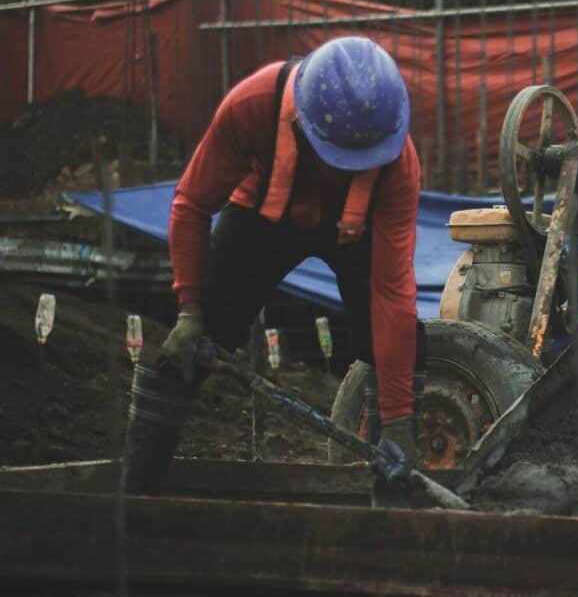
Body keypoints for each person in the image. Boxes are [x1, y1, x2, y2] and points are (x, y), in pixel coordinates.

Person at [121, 36, 421, 506]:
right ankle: (135, 494)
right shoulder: (253, 105)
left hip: (354, 232)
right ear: (302, 122)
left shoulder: (396, 162)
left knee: (395, 350)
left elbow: (392, 293)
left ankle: (393, 508)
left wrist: (400, 423)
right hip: (263, 216)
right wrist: (189, 310)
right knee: (191, 342)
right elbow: (192, 203)